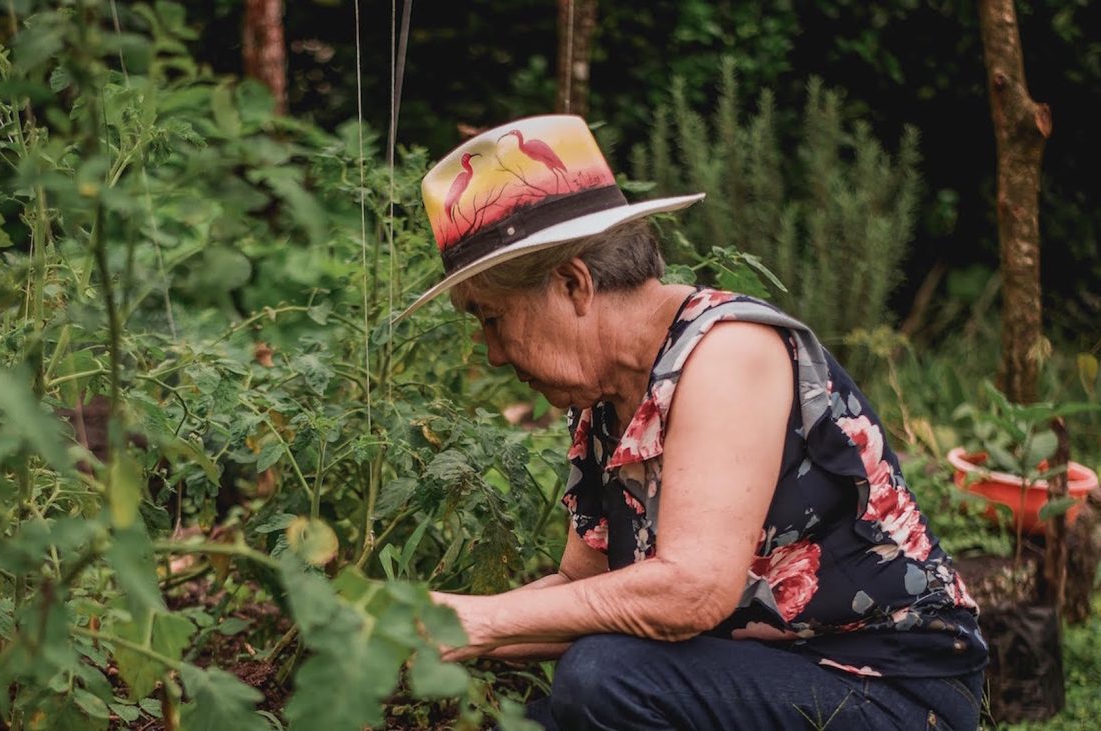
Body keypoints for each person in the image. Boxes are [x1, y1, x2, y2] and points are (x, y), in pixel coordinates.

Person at [397, 115, 987, 730]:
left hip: (888, 689)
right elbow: (584, 588)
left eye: (493, 319)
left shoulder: (729, 354)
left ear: (574, 284)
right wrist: (429, 635)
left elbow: (690, 592)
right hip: (761, 676)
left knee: (602, 680)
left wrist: (483, 623)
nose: (493, 352)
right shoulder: (607, 401)